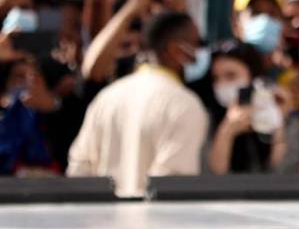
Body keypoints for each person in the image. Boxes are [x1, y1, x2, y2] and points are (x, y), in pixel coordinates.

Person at [67, 11, 209, 197]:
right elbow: (172, 187)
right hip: (155, 216)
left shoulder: (106, 97)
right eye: (197, 44)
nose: (202, 52)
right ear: (174, 49)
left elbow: (79, 168)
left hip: (102, 215)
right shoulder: (185, 105)